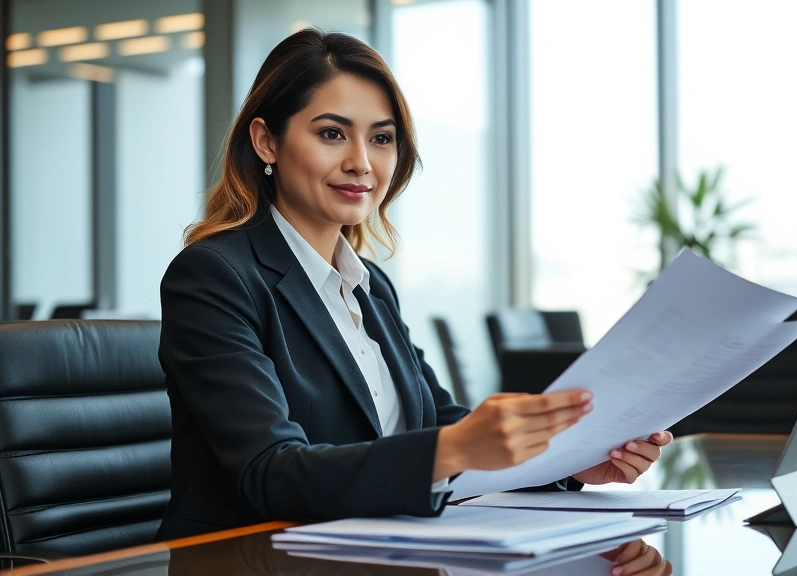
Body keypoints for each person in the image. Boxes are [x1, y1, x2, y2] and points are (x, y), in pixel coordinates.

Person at [155, 29, 672, 540]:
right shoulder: (214, 276)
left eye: (381, 138)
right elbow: (271, 472)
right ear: (267, 140)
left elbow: (437, 421)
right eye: (332, 133)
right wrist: (455, 447)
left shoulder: (370, 284)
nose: (362, 161)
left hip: (376, 550)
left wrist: (569, 464)